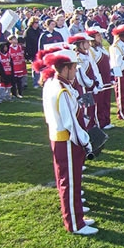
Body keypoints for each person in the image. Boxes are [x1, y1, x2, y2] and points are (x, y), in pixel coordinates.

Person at [33, 47, 97, 235]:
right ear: (65, 68)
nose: (76, 71)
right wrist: (86, 143)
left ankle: (78, 215)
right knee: (69, 183)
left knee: (74, 180)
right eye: (74, 68)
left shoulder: (54, 83)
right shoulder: (60, 89)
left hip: (64, 139)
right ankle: (74, 224)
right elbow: (71, 124)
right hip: (67, 141)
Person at [88, 27, 114, 130]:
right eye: (98, 35)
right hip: (100, 79)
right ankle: (100, 122)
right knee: (99, 102)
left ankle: (107, 120)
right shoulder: (90, 50)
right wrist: (97, 80)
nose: (100, 37)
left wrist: (112, 75)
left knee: (106, 100)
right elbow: (94, 67)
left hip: (107, 77)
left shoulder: (102, 48)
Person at [24, 16, 42, 87]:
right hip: (32, 51)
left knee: (41, 67)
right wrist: (29, 53)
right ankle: (35, 82)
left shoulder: (39, 30)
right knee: (35, 68)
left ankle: (41, 80)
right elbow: (27, 43)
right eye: (36, 22)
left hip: (39, 50)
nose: (37, 24)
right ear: (32, 23)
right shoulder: (28, 31)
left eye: (38, 22)